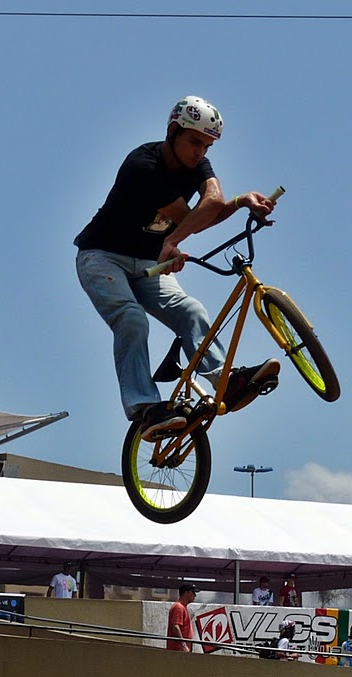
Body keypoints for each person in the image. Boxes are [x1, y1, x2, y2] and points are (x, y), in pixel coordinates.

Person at [75, 95, 281, 441]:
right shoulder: (143, 165)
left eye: (208, 146)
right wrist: (172, 244)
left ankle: (223, 381)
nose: (200, 153)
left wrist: (241, 201)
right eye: (195, 143)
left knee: (191, 309)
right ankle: (145, 408)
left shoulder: (197, 164)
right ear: (173, 132)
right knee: (131, 319)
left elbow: (208, 208)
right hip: (102, 257)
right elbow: (191, 219)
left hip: (146, 263)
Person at [166, 582, 197, 652]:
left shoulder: (182, 607)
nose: (195, 595)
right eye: (193, 592)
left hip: (181, 648)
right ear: (187, 593)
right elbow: (175, 627)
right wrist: (183, 644)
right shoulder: (179, 607)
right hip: (178, 649)